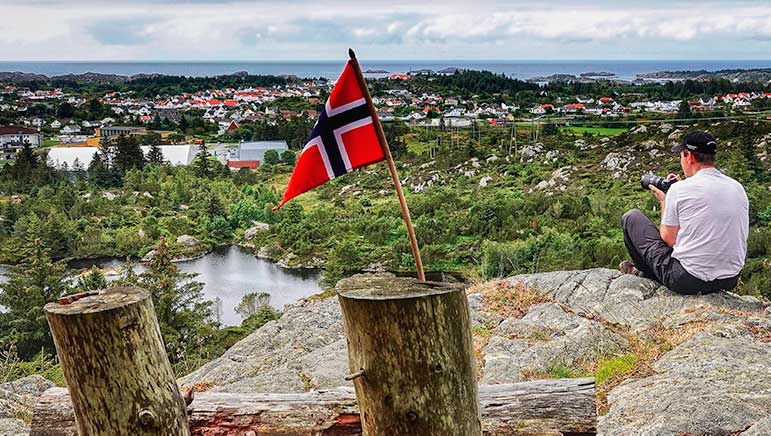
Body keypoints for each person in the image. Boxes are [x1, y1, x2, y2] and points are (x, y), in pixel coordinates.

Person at [619, 131, 748, 294]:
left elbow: (668, 239)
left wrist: (665, 201)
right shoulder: (737, 187)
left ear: (690, 157)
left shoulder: (680, 189)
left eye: (681, 156)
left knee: (631, 217)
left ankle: (645, 273)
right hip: (729, 279)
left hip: (688, 280)